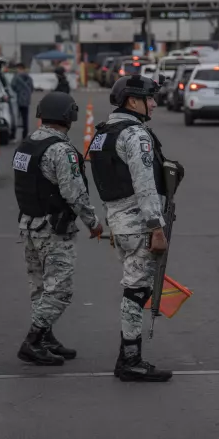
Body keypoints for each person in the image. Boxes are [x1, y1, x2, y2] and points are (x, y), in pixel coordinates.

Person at [87, 75, 179, 382]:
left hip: (119, 222)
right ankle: (130, 359)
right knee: (137, 291)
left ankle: (129, 356)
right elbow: (144, 184)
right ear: (132, 101)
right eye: (149, 98)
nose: (154, 103)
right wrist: (156, 227)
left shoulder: (102, 133)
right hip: (139, 223)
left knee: (135, 287)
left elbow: (105, 182)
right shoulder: (136, 135)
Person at [14, 92, 102, 366]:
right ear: (69, 116)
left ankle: (46, 339)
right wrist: (93, 222)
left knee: (40, 287)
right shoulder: (60, 151)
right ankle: (32, 341)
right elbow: (74, 193)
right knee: (60, 290)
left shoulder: (27, 145)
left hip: (30, 226)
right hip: (54, 229)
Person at [11, 64, 34, 133]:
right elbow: (32, 88)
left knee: (15, 117)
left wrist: (18, 91)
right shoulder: (29, 78)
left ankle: (13, 134)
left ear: (19, 68)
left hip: (17, 100)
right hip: (26, 100)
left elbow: (13, 86)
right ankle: (25, 133)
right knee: (25, 117)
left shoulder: (16, 77)